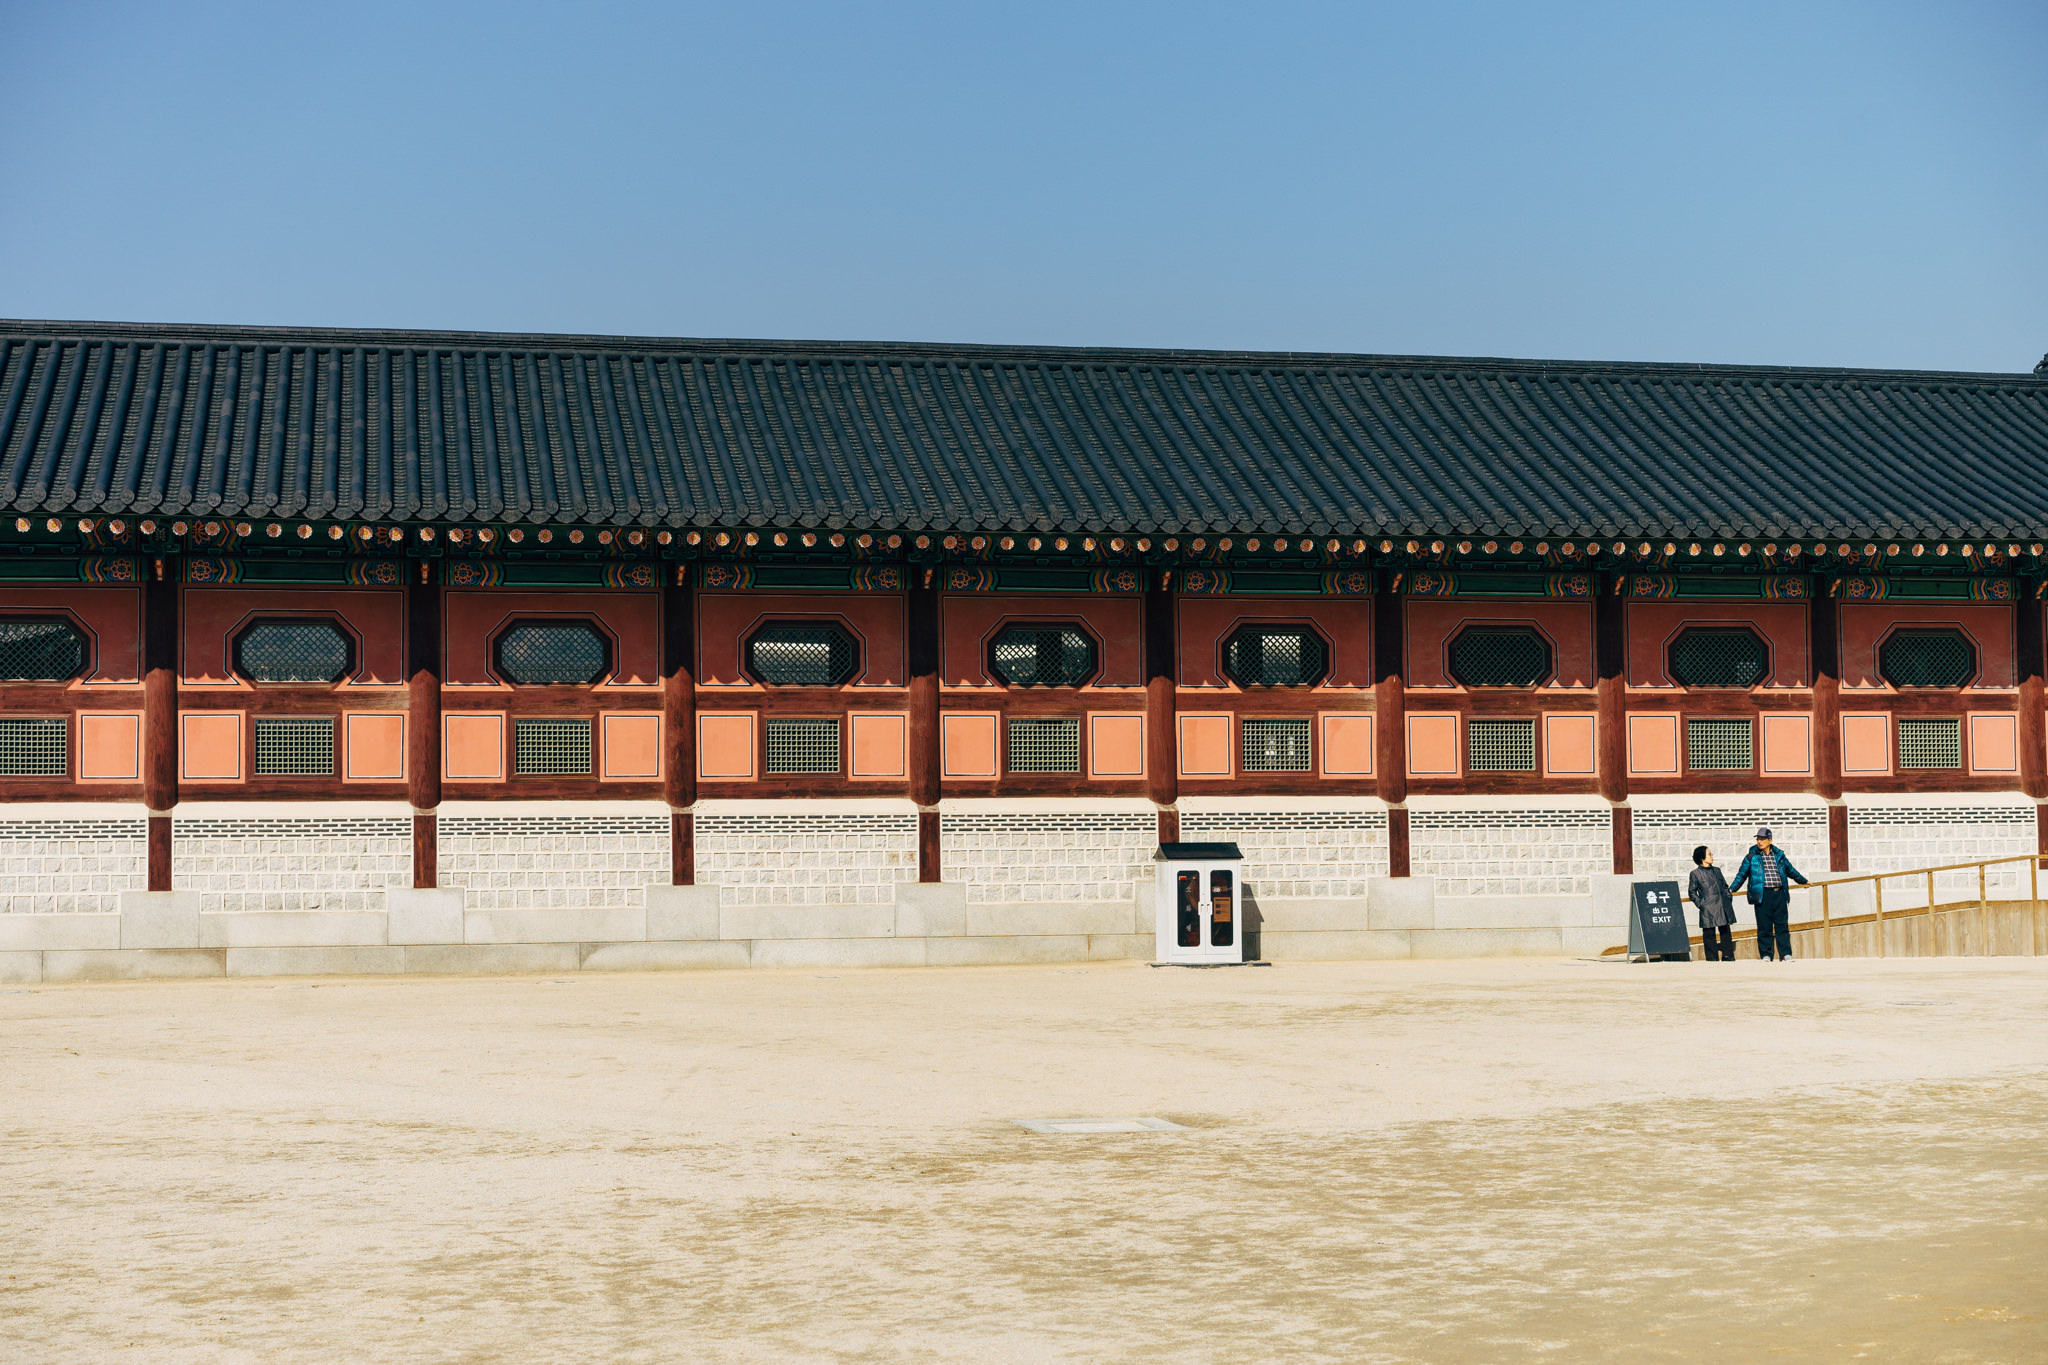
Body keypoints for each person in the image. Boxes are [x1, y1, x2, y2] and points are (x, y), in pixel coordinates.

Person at [1727, 827, 1808, 961]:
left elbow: (1790, 870)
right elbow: (1742, 875)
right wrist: (1732, 889)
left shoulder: (1779, 855)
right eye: (1758, 839)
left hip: (1779, 894)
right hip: (1762, 895)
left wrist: (1803, 881)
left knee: (1782, 925)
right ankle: (1766, 954)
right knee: (1764, 926)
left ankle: (1785, 954)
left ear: (1770, 840)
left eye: (1762, 839)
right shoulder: (1751, 857)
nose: (1759, 841)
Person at [1687, 845, 1736, 962]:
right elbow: (1692, 892)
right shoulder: (1695, 874)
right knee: (1709, 933)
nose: (1711, 856)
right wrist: (1701, 904)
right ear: (1702, 858)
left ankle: (1728, 955)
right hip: (1708, 907)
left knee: (1725, 931)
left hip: (1722, 904)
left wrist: (1728, 897)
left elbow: (1725, 886)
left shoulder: (1717, 870)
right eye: (1709, 854)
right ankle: (1711, 957)